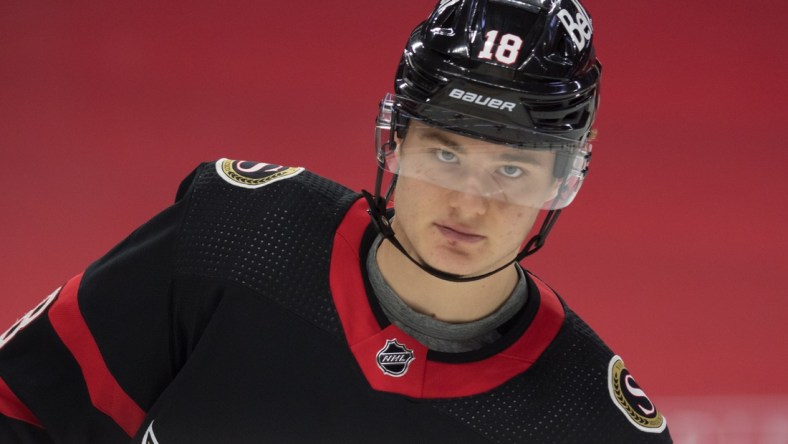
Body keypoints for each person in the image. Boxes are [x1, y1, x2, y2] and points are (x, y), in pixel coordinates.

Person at [0, 0, 672, 442]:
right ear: (396, 141)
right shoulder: (233, 236)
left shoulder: (592, 425)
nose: (470, 202)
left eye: (513, 170)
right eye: (445, 153)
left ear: (562, 182)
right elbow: (22, 403)